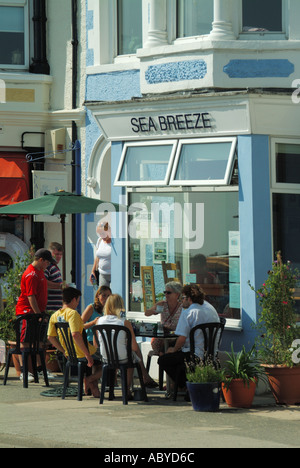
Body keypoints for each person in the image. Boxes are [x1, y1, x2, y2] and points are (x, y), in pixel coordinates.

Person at [158, 284, 220, 392]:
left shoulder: (188, 312)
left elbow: (181, 339)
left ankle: (185, 384)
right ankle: (187, 384)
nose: (181, 301)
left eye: (183, 298)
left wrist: (173, 349)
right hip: (211, 354)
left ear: (189, 299)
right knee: (177, 357)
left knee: (163, 360)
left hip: (194, 355)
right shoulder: (210, 308)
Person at [96, 294, 158, 398]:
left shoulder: (99, 321)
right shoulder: (124, 322)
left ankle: (143, 378)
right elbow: (133, 346)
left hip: (106, 356)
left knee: (129, 355)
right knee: (133, 356)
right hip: (122, 357)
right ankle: (128, 388)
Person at [47, 287, 102, 398]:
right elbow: (75, 334)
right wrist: (87, 354)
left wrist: (64, 351)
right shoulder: (73, 314)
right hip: (82, 353)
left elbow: (50, 337)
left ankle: (94, 390)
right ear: (73, 299)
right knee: (108, 360)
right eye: (77, 300)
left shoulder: (55, 315)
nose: (77, 303)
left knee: (94, 361)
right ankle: (90, 380)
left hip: (71, 354)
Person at [15, 248, 53, 382]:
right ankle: (25, 372)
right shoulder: (31, 274)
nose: (48, 265)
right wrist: (38, 314)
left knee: (37, 342)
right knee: (25, 342)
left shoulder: (40, 272)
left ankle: (38, 370)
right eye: (47, 263)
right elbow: (30, 296)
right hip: (27, 313)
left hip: (36, 312)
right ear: (41, 260)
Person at [145, 281, 183, 355]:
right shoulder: (162, 305)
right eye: (165, 292)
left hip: (176, 337)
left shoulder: (182, 307)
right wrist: (154, 310)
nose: (166, 295)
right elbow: (147, 313)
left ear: (177, 294)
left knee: (168, 349)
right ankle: (163, 359)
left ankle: (163, 359)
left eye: (168, 293)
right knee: (161, 346)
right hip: (163, 336)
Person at [90, 221, 112, 287]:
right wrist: (93, 271)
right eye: (100, 234)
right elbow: (97, 257)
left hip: (113, 274)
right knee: (102, 295)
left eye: (103, 233)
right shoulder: (99, 240)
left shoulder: (115, 242)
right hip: (102, 274)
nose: (102, 236)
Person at [44, 242, 64, 312]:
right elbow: (43, 282)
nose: (59, 256)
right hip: (50, 308)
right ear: (50, 254)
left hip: (56, 308)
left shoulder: (55, 267)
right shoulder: (48, 266)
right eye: (57, 254)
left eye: (61, 254)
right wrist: (61, 285)